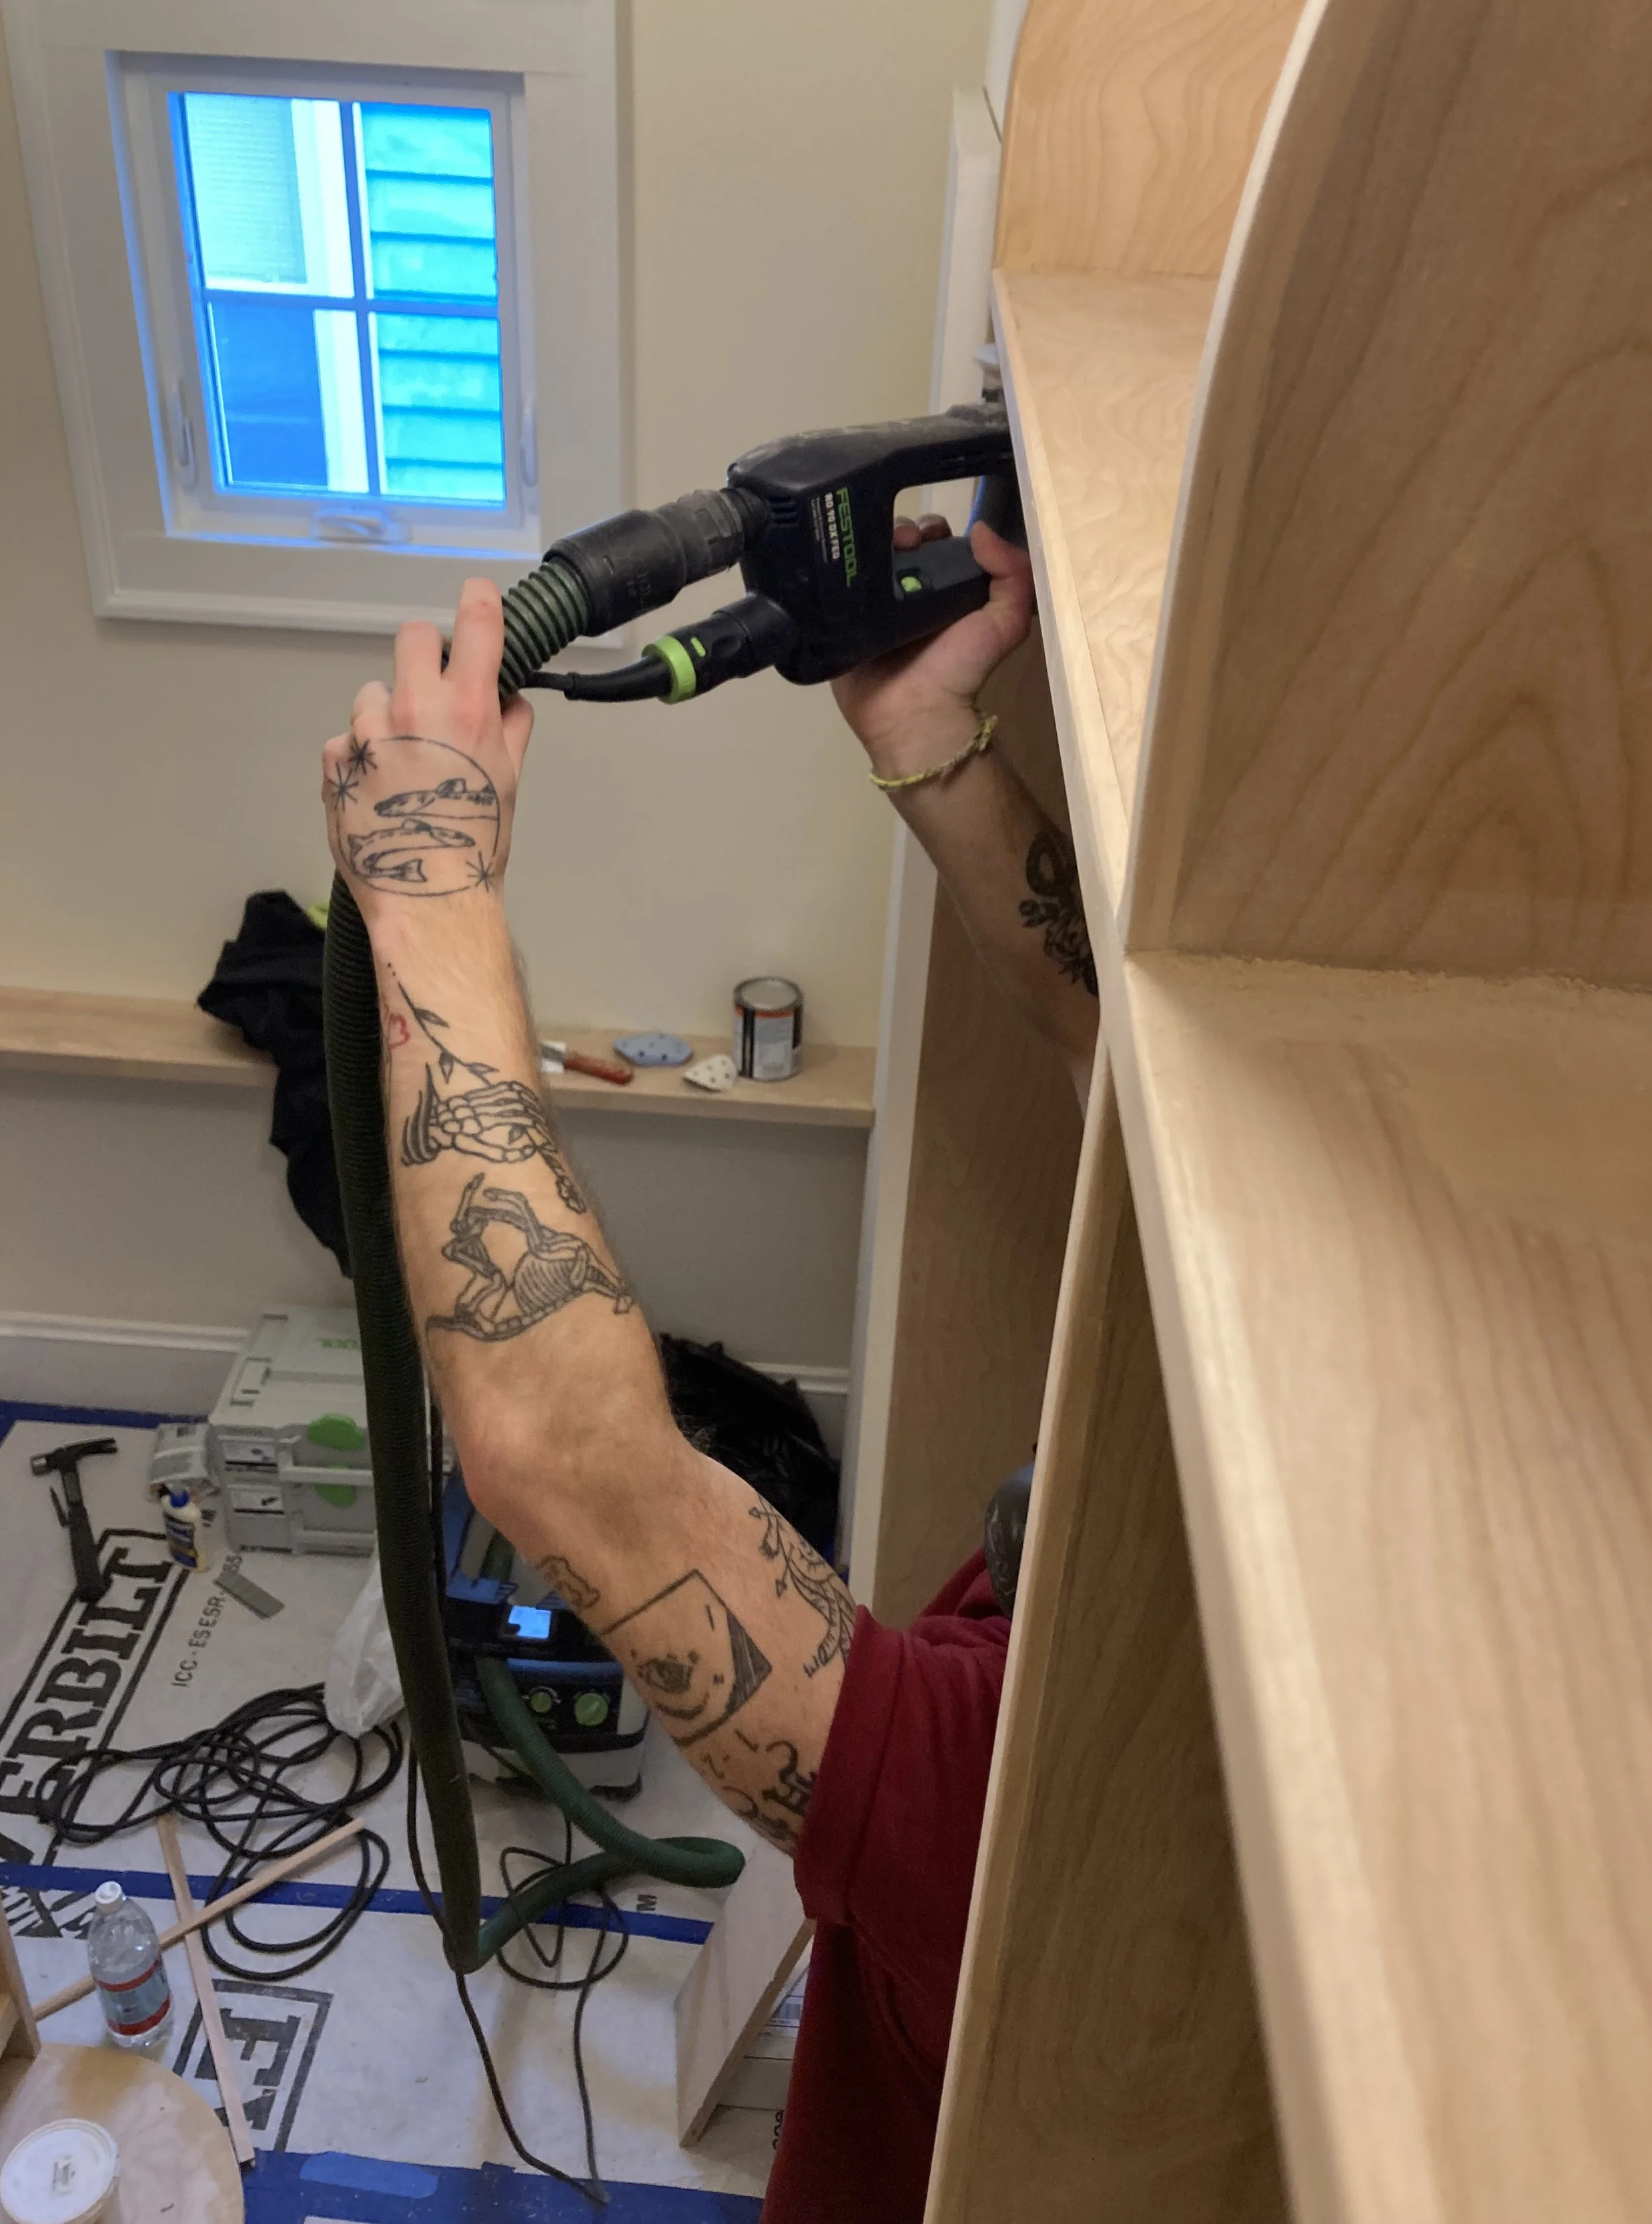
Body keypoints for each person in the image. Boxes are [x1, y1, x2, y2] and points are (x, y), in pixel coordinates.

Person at [320, 514, 1096, 2223]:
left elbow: (559, 1464)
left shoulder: (1030, 1811)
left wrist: (429, 881)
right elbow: (1135, 1079)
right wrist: (930, 742)